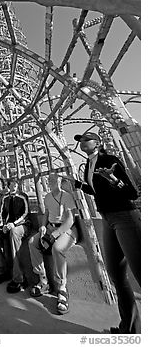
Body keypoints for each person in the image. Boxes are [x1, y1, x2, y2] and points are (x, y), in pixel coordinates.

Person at [73, 131, 140, 334]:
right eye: (80, 140)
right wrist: (79, 185)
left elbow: (132, 192)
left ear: (98, 143)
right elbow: (97, 191)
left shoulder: (110, 160)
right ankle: (129, 329)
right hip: (107, 218)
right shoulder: (87, 166)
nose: (82, 142)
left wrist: (114, 180)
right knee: (116, 275)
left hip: (125, 217)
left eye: (86, 139)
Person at [28, 173, 78, 314]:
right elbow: (46, 214)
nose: (50, 182)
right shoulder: (48, 197)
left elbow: (70, 220)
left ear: (59, 181)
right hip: (50, 227)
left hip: (66, 229)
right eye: (48, 180)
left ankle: (62, 288)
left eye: (53, 180)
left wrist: (56, 234)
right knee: (32, 242)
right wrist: (43, 226)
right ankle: (43, 280)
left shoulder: (66, 196)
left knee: (57, 248)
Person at [0, 177, 31, 293]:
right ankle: (1, 271)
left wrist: (13, 224)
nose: (13, 187)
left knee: (14, 233)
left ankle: (19, 278)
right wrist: (3, 225)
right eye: (11, 184)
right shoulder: (5, 198)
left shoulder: (23, 196)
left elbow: (26, 213)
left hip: (22, 225)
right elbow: (2, 214)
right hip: (8, 225)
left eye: (15, 185)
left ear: (18, 186)